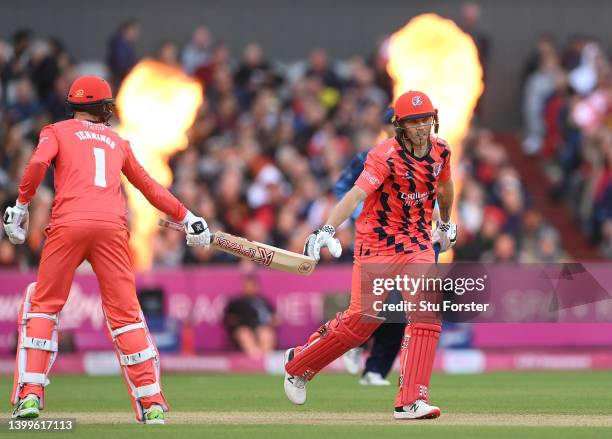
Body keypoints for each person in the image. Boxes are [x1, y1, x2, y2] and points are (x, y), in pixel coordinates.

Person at [3, 75, 211, 424]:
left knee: (43, 306)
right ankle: (152, 404)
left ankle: (30, 397)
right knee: (126, 316)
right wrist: (188, 217)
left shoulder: (54, 131)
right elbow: (148, 186)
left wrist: (21, 205)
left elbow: (38, 164)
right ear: (103, 108)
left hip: (68, 224)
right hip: (112, 229)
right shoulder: (118, 141)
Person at [282, 90, 457, 419]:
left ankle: (410, 401)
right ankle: (298, 363)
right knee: (361, 324)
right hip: (377, 244)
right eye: (413, 122)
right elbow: (355, 194)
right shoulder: (384, 156)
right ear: (399, 126)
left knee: (427, 313)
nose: (421, 127)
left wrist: (446, 224)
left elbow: (445, 187)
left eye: (424, 120)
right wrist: (327, 229)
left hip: (417, 241)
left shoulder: (442, 150)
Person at [222, 274, 277, 358]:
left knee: (265, 333)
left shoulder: (263, 301)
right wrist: (236, 323)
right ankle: (255, 357)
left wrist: (273, 321)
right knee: (244, 334)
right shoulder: (236, 302)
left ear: (256, 286)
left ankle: (266, 359)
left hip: (260, 327)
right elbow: (227, 319)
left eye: (252, 286)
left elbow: (274, 317)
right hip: (243, 329)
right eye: (247, 285)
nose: (249, 288)